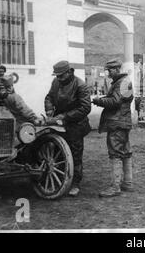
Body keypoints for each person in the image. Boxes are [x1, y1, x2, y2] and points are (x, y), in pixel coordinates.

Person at [44, 60, 92, 197]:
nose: (59, 78)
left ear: (70, 72)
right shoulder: (56, 82)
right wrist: (48, 110)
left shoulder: (80, 85)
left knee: (75, 154)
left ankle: (75, 183)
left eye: (61, 76)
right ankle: (62, 178)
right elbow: (49, 97)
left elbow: (85, 108)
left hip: (76, 124)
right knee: (58, 151)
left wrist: (64, 116)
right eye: (57, 76)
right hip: (59, 123)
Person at [92, 59, 134, 198]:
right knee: (125, 151)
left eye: (109, 70)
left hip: (117, 123)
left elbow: (115, 102)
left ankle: (115, 186)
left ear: (116, 69)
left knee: (115, 153)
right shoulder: (124, 82)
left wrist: (98, 100)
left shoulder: (121, 83)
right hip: (123, 122)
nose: (108, 73)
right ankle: (127, 182)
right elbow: (117, 99)